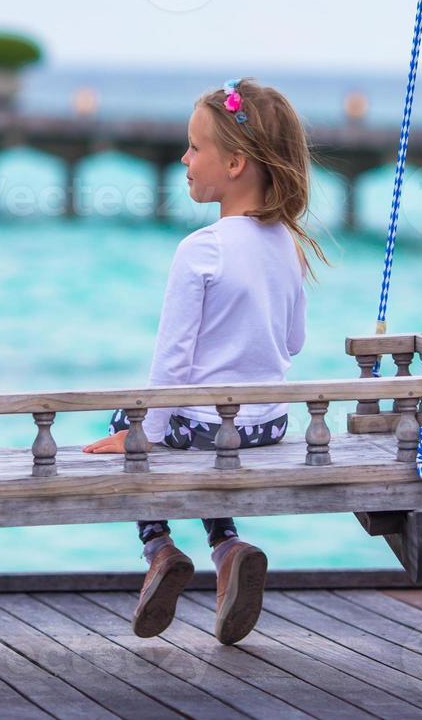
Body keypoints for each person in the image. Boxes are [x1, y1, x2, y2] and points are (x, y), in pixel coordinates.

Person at [83, 77, 325, 645]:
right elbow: (293, 343)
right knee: (205, 444)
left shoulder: (201, 249)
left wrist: (142, 431)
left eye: (195, 148)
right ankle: (226, 547)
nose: (184, 159)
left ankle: (160, 548)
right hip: (267, 427)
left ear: (235, 162)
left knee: (132, 429)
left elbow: (170, 362)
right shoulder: (288, 243)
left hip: (205, 428)